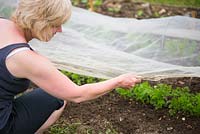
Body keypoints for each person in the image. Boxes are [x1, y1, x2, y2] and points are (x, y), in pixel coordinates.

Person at [0, 0, 141, 133]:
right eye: (56, 24)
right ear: (40, 21)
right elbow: (78, 95)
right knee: (56, 99)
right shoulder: (26, 58)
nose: (60, 30)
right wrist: (118, 81)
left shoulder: (2, 24)